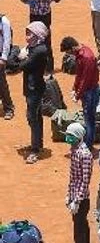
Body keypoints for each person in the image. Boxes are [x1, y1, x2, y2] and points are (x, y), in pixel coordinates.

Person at [19, 0, 68, 72]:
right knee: (46, 38)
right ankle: (49, 66)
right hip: (46, 13)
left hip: (35, 14)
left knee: (34, 38)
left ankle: (36, 64)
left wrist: (32, 2)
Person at [18, 22, 49, 164]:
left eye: (30, 33)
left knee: (32, 117)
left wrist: (20, 57)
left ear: (38, 35)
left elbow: (23, 66)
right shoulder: (33, 48)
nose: (27, 36)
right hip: (32, 88)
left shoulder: (39, 50)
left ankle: (35, 150)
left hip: (35, 89)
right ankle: (38, 144)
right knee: (36, 116)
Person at [60, 37, 100, 148]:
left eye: (68, 51)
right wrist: (74, 88)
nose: (68, 54)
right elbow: (79, 74)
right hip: (88, 90)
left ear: (72, 48)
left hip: (90, 92)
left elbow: (85, 80)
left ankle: (88, 145)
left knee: (89, 120)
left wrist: (78, 95)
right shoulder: (81, 53)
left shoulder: (86, 57)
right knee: (88, 118)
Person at [64, 122, 93, 243]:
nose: (67, 138)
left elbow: (84, 180)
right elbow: (73, 178)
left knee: (79, 232)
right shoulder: (74, 150)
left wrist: (77, 200)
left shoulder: (85, 154)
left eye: (70, 136)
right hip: (75, 196)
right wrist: (69, 194)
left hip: (81, 200)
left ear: (78, 137)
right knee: (83, 228)